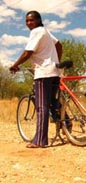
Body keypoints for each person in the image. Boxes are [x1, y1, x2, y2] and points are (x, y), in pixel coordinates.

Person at [10, 11, 64, 148]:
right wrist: (55, 61)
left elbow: (28, 52)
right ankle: (67, 122)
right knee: (52, 102)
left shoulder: (36, 32)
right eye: (27, 21)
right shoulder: (45, 31)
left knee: (42, 106)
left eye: (31, 20)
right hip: (55, 71)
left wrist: (15, 65)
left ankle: (40, 140)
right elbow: (59, 45)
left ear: (39, 20)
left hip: (43, 73)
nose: (29, 23)